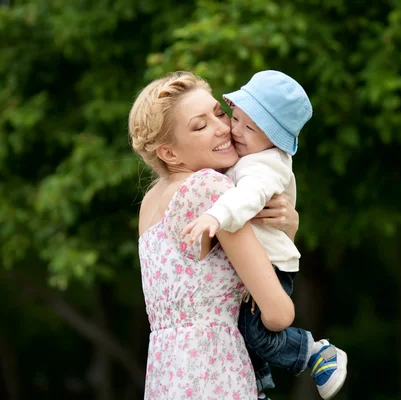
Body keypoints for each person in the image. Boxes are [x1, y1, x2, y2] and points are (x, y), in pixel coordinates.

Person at [129, 71, 299, 400]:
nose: (223, 127)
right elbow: (279, 312)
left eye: (219, 112)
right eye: (200, 125)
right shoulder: (210, 189)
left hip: (168, 376)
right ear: (169, 153)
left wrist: (285, 224)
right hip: (216, 373)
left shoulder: (151, 200)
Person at [180, 70, 348, 400]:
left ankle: (314, 352)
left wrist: (215, 215)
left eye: (251, 128)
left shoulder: (265, 164)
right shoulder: (250, 155)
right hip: (258, 261)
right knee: (244, 334)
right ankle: (256, 389)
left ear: (275, 139)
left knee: (258, 333)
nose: (235, 131)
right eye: (237, 119)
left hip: (271, 265)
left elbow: (249, 196)